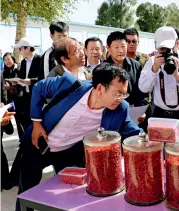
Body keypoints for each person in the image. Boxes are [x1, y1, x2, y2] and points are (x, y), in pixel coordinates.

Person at [16, 63, 143, 211]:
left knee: (68, 195)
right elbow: (38, 88)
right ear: (100, 88)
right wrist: (36, 123)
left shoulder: (120, 109)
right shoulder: (69, 85)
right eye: (117, 93)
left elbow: (133, 131)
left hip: (68, 153)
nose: (121, 98)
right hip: (38, 145)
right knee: (27, 192)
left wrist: (151, 139)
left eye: (124, 94)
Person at [139, 26, 179, 138]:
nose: (166, 52)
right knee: (160, 152)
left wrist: (178, 76)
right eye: (162, 48)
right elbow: (143, 88)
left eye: (169, 47)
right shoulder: (152, 61)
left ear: (177, 43)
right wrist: (154, 69)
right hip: (160, 114)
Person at [106, 31, 149, 125]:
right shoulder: (103, 69)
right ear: (108, 48)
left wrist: (141, 111)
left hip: (135, 115)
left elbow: (141, 92)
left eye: (123, 46)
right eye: (116, 47)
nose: (120, 50)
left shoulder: (136, 65)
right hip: (112, 115)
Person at [13, 37, 43, 132]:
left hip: (39, 96)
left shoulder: (40, 59)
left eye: (20, 48)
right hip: (26, 96)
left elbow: (45, 77)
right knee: (27, 121)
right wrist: (17, 81)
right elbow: (22, 77)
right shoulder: (23, 62)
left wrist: (31, 81)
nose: (19, 51)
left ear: (28, 48)